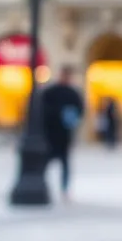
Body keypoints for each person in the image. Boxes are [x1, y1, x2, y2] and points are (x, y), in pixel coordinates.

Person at [41, 66, 84, 201]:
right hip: (51, 134)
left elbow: (80, 110)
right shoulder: (51, 92)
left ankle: (64, 189)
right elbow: (43, 110)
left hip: (64, 135)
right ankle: (44, 185)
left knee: (64, 163)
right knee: (47, 162)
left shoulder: (72, 93)